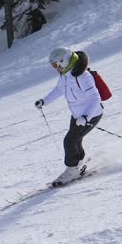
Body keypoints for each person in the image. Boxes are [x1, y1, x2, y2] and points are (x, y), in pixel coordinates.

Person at [34, 47, 104, 185]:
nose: (55, 68)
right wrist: (44, 101)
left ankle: (72, 170)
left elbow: (96, 99)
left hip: (91, 114)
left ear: (64, 61)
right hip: (77, 115)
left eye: (56, 65)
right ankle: (79, 163)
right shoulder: (65, 74)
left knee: (69, 141)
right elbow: (59, 89)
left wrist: (86, 117)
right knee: (75, 140)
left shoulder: (83, 77)